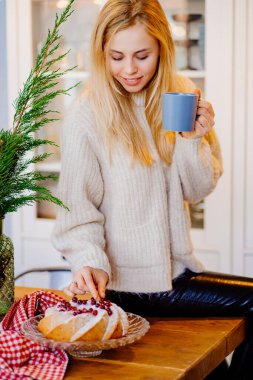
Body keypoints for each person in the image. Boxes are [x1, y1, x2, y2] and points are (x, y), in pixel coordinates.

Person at [52, 1, 253, 379]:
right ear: (101, 53)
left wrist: (194, 140)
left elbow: (197, 189)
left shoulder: (181, 94)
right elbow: (77, 212)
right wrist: (89, 260)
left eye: (142, 55)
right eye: (116, 56)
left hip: (176, 278)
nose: (129, 69)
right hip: (124, 285)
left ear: (162, 48)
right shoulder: (86, 114)